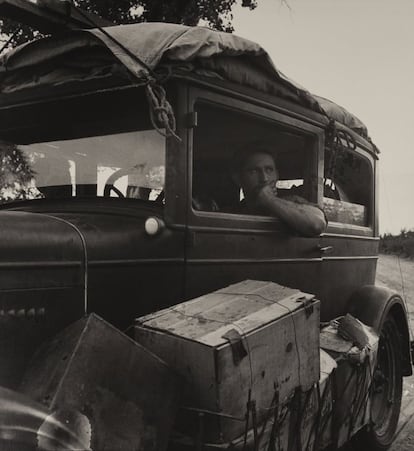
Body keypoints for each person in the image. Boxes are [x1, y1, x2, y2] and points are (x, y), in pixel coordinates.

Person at [232, 145, 327, 237]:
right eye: (254, 171)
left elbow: (316, 224)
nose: (264, 179)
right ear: (238, 179)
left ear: (277, 175)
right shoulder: (232, 212)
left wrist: (268, 199)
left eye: (269, 170)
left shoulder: (292, 202)